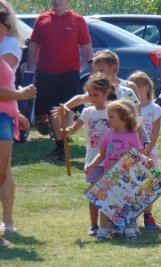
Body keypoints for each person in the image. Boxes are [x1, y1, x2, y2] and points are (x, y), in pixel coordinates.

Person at [26, 0, 94, 161]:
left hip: (69, 73)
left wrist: (94, 71)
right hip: (46, 73)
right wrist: (30, 70)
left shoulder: (78, 20)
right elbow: (34, 45)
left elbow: (86, 46)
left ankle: (65, 140)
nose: (57, 2)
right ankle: (60, 146)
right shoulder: (42, 19)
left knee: (65, 108)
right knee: (51, 110)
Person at [60, 73, 113, 237]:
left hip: (111, 159)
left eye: (95, 95)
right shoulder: (87, 112)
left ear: (106, 93)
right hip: (92, 158)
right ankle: (93, 225)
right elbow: (75, 128)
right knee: (94, 193)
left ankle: (111, 223)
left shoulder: (112, 111)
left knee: (110, 193)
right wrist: (67, 131)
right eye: (89, 95)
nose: (91, 98)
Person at [0, 9, 36, 247]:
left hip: (5, 116)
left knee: (2, 173)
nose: (9, 23)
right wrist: (21, 94)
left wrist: (17, 111)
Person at [85, 99, 145, 241]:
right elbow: (102, 154)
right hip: (109, 175)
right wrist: (92, 165)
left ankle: (129, 227)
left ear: (124, 118)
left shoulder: (133, 136)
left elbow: (139, 154)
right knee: (106, 204)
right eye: (108, 116)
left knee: (128, 203)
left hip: (126, 177)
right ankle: (103, 229)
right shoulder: (108, 135)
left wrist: (145, 159)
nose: (108, 120)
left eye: (112, 117)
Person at [128, 71, 161, 230]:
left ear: (147, 87)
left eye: (138, 88)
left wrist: (147, 150)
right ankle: (132, 217)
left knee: (149, 186)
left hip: (150, 153)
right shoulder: (129, 108)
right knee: (133, 185)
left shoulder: (154, 108)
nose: (134, 93)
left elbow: (155, 132)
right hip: (133, 154)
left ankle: (148, 216)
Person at [0, 0, 23, 236]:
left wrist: (18, 105)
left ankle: (7, 220)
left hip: (4, 110)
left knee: (4, 170)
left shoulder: (9, 44)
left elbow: (4, 80)